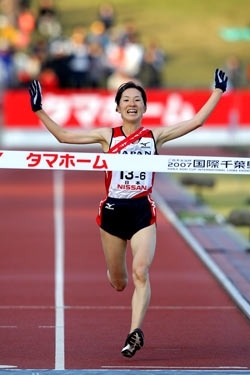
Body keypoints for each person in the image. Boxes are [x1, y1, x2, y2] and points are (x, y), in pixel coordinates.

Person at [28, 68, 228, 358]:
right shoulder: (106, 136)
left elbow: (196, 122)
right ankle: (114, 272)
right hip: (112, 213)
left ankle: (134, 332)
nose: (132, 103)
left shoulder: (155, 136)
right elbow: (63, 137)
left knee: (141, 272)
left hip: (141, 212)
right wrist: (38, 110)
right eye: (126, 100)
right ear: (118, 107)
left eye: (137, 99)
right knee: (120, 282)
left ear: (145, 107)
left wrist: (218, 91)